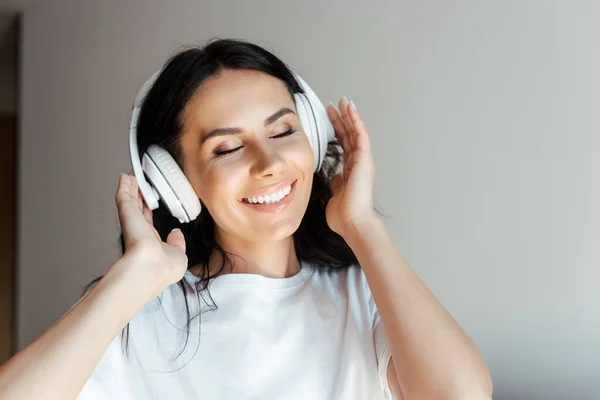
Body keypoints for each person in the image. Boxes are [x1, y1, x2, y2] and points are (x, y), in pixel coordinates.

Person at [0, 38, 493, 400]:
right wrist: (132, 279)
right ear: (173, 181)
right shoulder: (139, 320)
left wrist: (361, 225)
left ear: (314, 140)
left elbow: (461, 394)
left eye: (282, 131)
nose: (269, 163)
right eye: (228, 147)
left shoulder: (365, 298)